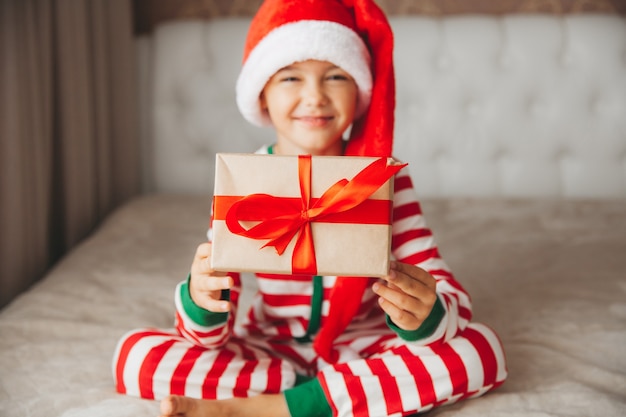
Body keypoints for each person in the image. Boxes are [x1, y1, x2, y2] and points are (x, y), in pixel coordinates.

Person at [112, 1, 508, 416]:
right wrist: (199, 299)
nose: (314, 96)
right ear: (261, 93)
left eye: (336, 75)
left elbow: (447, 292)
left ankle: (261, 410)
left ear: (360, 91)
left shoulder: (382, 181)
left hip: (366, 345)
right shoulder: (244, 181)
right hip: (273, 352)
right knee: (134, 355)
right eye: (290, 77)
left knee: (481, 351)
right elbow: (207, 336)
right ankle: (322, 394)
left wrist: (426, 315)